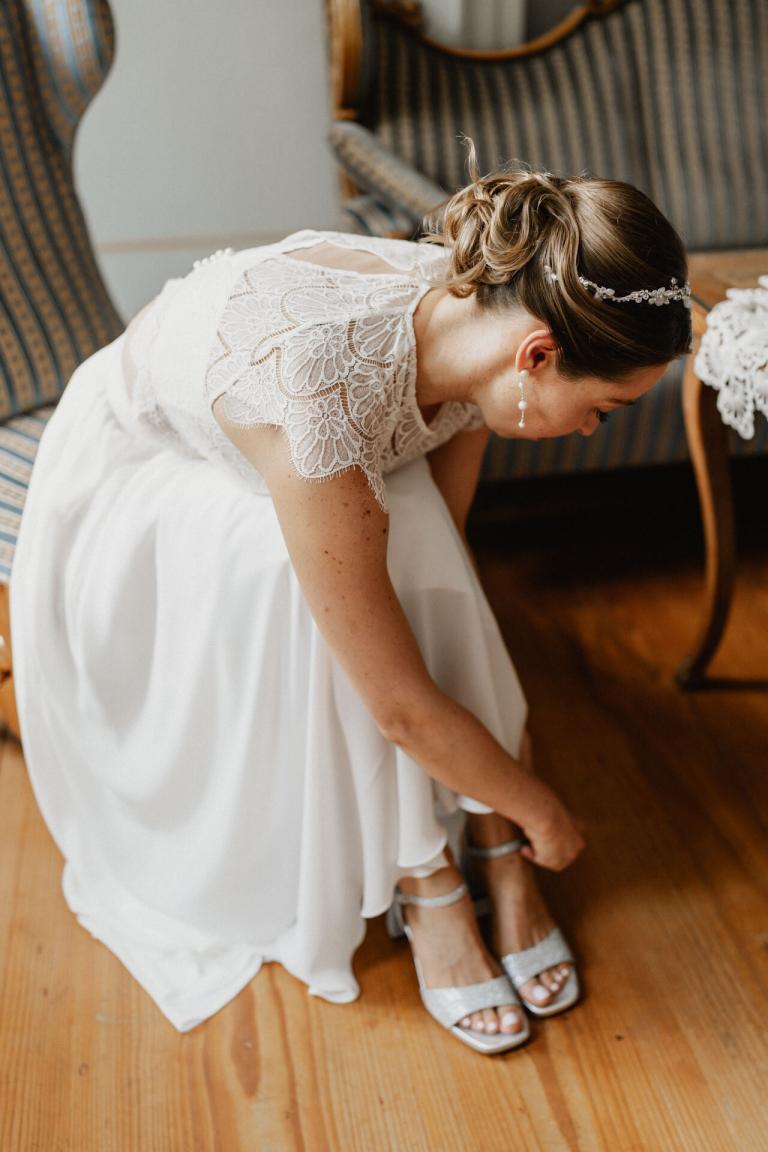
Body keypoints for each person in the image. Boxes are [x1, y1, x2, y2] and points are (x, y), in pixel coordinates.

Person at [9, 138, 692, 1052]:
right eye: (604, 407)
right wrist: (542, 807)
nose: (591, 427)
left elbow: (436, 580)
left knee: (410, 554)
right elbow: (400, 708)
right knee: (325, 599)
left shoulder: (485, 338)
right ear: (537, 355)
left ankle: (491, 856)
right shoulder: (319, 409)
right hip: (146, 476)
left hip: (313, 448)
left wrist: (503, 807)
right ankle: (430, 881)